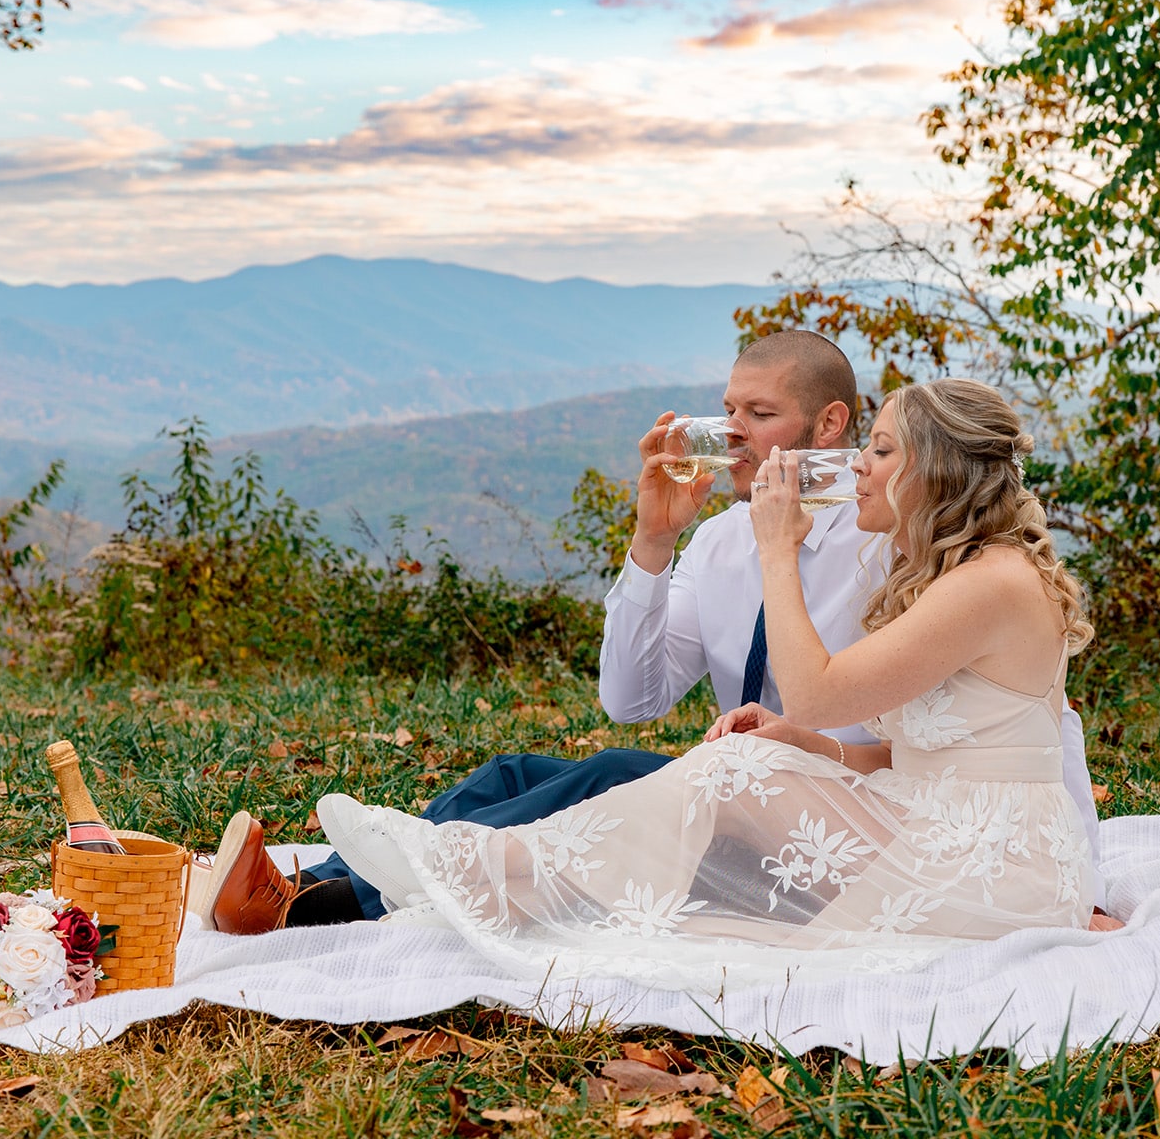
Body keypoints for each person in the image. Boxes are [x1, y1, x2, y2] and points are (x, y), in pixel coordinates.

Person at [314, 379, 1102, 988]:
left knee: (724, 775)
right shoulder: (940, 571)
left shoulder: (988, 582)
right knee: (612, 770)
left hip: (990, 863)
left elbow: (834, 693)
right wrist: (804, 739)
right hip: (929, 822)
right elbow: (918, 759)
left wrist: (777, 553)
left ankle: (457, 879)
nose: (862, 464)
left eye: (883, 451)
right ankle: (431, 872)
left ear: (937, 467)